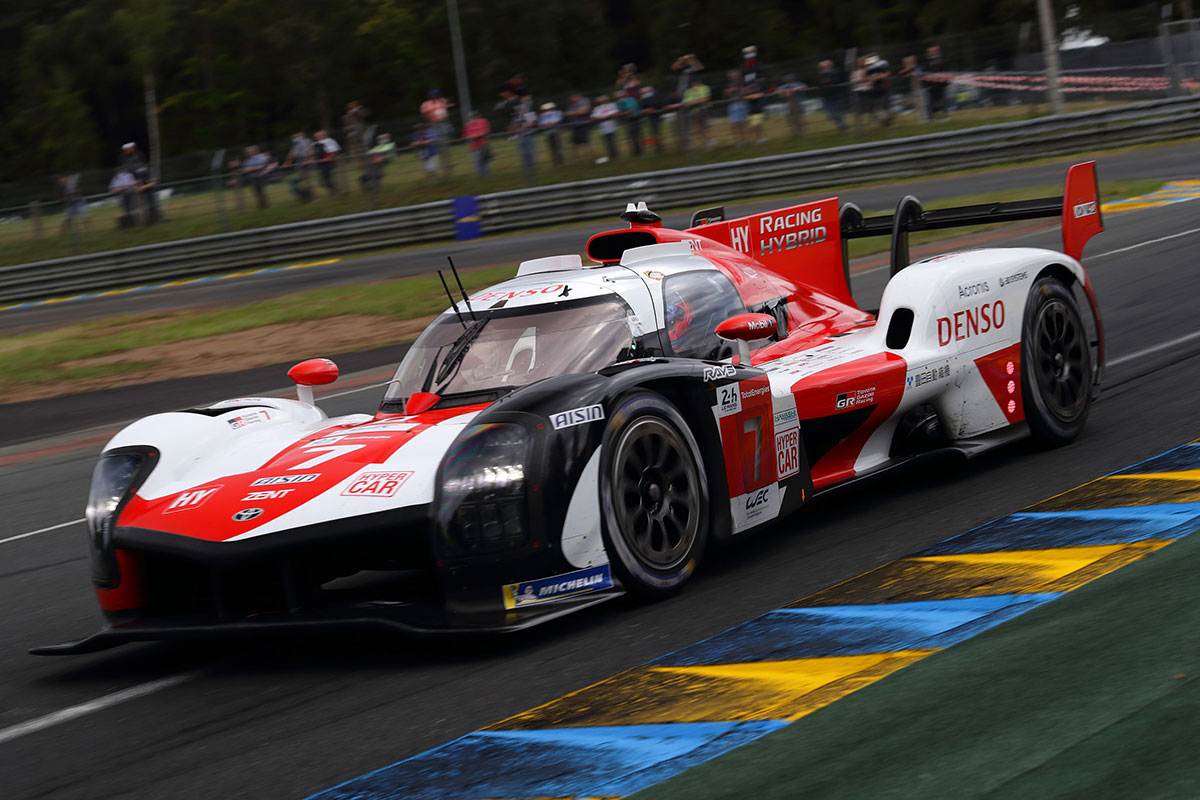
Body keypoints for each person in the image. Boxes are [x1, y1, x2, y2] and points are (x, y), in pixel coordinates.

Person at [421, 89, 454, 177]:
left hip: (443, 122)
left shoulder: (443, 101)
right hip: (433, 124)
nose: (434, 96)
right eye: (432, 95)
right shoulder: (426, 104)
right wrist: (430, 121)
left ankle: (448, 167)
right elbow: (424, 115)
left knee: (445, 144)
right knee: (435, 144)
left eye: (436, 95)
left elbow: (447, 111)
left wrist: (446, 114)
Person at [739, 45, 768, 143]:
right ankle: (757, 138)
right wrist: (744, 89)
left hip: (757, 94)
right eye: (746, 53)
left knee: (759, 117)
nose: (748, 54)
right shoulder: (744, 66)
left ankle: (762, 137)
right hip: (749, 95)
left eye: (750, 52)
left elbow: (761, 79)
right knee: (752, 119)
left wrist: (753, 88)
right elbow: (743, 80)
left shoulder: (758, 64)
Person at [282, 131, 315, 203]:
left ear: (300, 136)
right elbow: (291, 154)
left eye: (295, 137)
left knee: (306, 180)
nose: (294, 139)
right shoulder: (296, 144)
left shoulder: (306, 141)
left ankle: (311, 197)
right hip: (299, 162)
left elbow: (309, 151)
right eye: (293, 138)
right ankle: (304, 197)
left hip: (305, 162)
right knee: (301, 180)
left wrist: (307, 160)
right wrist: (287, 163)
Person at [817, 60, 848, 131]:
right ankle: (841, 124)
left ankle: (842, 124)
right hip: (826, 97)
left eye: (825, 66)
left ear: (830, 66)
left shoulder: (836, 72)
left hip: (837, 95)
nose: (824, 68)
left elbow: (837, 81)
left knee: (837, 112)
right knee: (831, 114)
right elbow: (820, 84)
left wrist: (828, 81)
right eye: (822, 67)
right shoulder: (820, 74)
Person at [683, 75, 713, 147]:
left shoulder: (704, 88)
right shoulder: (688, 91)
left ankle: (709, 142)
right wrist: (697, 102)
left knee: (704, 127)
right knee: (697, 130)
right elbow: (687, 103)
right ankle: (708, 141)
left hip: (703, 110)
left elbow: (705, 99)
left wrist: (693, 102)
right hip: (694, 112)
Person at [864, 54, 892, 126]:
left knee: (884, 105)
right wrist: (870, 79)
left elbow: (887, 73)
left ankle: (886, 120)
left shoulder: (881, 64)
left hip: (882, 86)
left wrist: (877, 77)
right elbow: (865, 77)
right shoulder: (868, 68)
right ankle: (884, 121)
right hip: (874, 88)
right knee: (875, 107)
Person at [590, 94, 619, 163]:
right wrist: (602, 118)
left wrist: (604, 117)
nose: (602, 101)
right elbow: (593, 116)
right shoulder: (597, 108)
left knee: (612, 141)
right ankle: (611, 154)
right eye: (601, 100)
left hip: (611, 126)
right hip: (603, 127)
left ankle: (614, 154)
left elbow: (616, 113)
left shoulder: (612, 105)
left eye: (603, 100)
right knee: (607, 142)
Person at [463, 111, 492, 177]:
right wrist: (474, 136)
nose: (475, 118)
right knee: (478, 162)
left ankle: (486, 176)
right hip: (474, 146)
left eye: (476, 116)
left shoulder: (483, 121)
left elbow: (486, 131)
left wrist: (475, 136)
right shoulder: (468, 125)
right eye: (473, 116)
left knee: (485, 161)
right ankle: (481, 177)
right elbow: (466, 135)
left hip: (483, 144)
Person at [564, 92, 592, 160]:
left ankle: (590, 156)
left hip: (583, 125)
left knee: (586, 142)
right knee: (575, 143)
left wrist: (571, 113)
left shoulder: (584, 102)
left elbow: (581, 112)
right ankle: (576, 158)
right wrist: (574, 113)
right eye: (571, 98)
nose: (572, 99)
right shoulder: (571, 106)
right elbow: (565, 114)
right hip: (575, 126)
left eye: (573, 98)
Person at [312, 130, 341, 195]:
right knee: (322, 181)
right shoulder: (315, 143)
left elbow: (334, 152)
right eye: (315, 136)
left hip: (329, 163)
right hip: (321, 164)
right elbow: (313, 154)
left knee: (326, 180)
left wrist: (326, 159)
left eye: (317, 136)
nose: (316, 137)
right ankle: (334, 191)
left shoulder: (329, 141)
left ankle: (336, 191)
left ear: (323, 135)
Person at [725, 70, 749, 145]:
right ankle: (736, 141)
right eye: (732, 76)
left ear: (738, 76)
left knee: (742, 123)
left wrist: (739, 89)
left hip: (741, 104)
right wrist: (730, 91)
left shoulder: (742, 82)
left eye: (735, 75)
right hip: (732, 105)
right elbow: (725, 94)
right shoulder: (728, 84)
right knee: (734, 124)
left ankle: (744, 140)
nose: (734, 77)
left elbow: (745, 92)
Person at [615, 89, 642, 157]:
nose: (620, 96)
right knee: (630, 136)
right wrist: (623, 112)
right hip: (627, 120)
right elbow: (619, 112)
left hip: (635, 118)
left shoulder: (630, 99)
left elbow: (631, 110)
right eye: (619, 95)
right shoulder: (619, 102)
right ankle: (635, 151)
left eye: (621, 95)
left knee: (637, 135)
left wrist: (623, 113)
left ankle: (639, 150)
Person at [924, 45, 948, 118]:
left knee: (942, 101)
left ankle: (944, 115)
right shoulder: (927, 63)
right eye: (930, 52)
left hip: (941, 85)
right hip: (931, 86)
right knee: (931, 103)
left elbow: (945, 72)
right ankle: (932, 117)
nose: (932, 53)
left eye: (934, 51)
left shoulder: (943, 61)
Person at [639, 84, 665, 153]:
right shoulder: (643, 98)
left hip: (656, 116)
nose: (644, 93)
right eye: (643, 92)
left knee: (657, 132)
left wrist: (652, 109)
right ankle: (656, 146)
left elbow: (659, 104)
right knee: (653, 133)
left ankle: (659, 146)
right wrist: (646, 110)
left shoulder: (655, 96)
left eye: (645, 91)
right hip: (649, 117)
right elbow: (641, 108)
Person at [538, 102, 564, 166]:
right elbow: (541, 124)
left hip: (556, 131)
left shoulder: (557, 112)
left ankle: (561, 161)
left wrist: (547, 124)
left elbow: (556, 121)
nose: (547, 110)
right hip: (548, 132)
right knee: (552, 148)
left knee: (558, 147)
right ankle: (555, 162)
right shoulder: (542, 115)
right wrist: (548, 124)